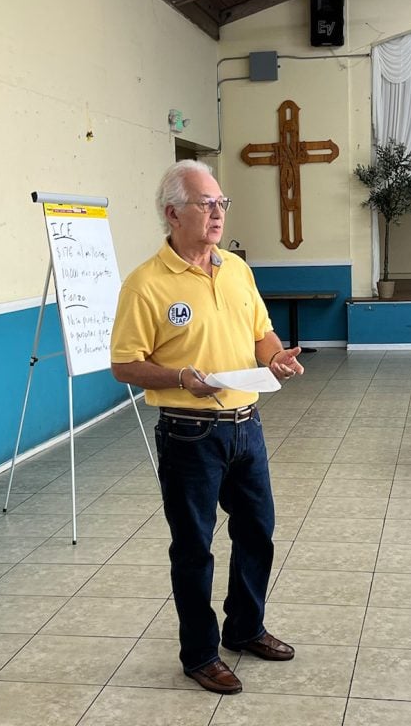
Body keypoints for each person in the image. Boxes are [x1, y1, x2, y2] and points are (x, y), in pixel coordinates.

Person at [109, 159, 303, 695]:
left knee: (257, 530)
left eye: (221, 204)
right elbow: (125, 364)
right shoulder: (145, 284)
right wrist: (178, 376)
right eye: (206, 204)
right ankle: (199, 653)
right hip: (189, 433)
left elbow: (260, 333)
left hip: (247, 424)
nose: (217, 213)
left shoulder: (237, 268)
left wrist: (276, 357)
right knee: (193, 547)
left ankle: (245, 628)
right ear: (173, 213)